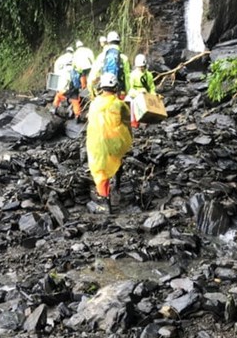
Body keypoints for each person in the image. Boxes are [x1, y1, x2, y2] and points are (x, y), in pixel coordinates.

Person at [86, 72, 133, 213]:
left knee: (100, 171)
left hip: (97, 144)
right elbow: (127, 121)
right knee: (117, 160)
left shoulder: (94, 104)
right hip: (114, 142)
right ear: (116, 87)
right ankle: (117, 186)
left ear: (102, 87)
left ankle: (106, 203)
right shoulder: (119, 105)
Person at [88, 30, 131, 99]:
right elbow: (128, 79)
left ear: (108, 42)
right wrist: (127, 93)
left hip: (105, 93)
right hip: (120, 93)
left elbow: (92, 77)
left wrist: (92, 92)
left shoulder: (102, 57)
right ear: (119, 42)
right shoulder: (124, 58)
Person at [51, 46, 83, 119]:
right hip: (73, 84)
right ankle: (77, 115)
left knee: (58, 96)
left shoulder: (60, 59)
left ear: (66, 51)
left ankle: (54, 108)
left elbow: (56, 72)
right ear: (72, 51)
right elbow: (80, 71)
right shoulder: (75, 58)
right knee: (75, 100)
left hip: (63, 84)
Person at [126, 53, 157, 128]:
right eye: (140, 67)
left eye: (142, 67)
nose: (141, 68)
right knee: (132, 102)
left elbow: (151, 87)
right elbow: (130, 88)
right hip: (135, 93)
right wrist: (138, 93)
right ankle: (133, 121)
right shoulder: (133, 75)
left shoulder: (149, 75)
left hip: (146, 93)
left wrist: (153, 94)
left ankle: (147, 119)